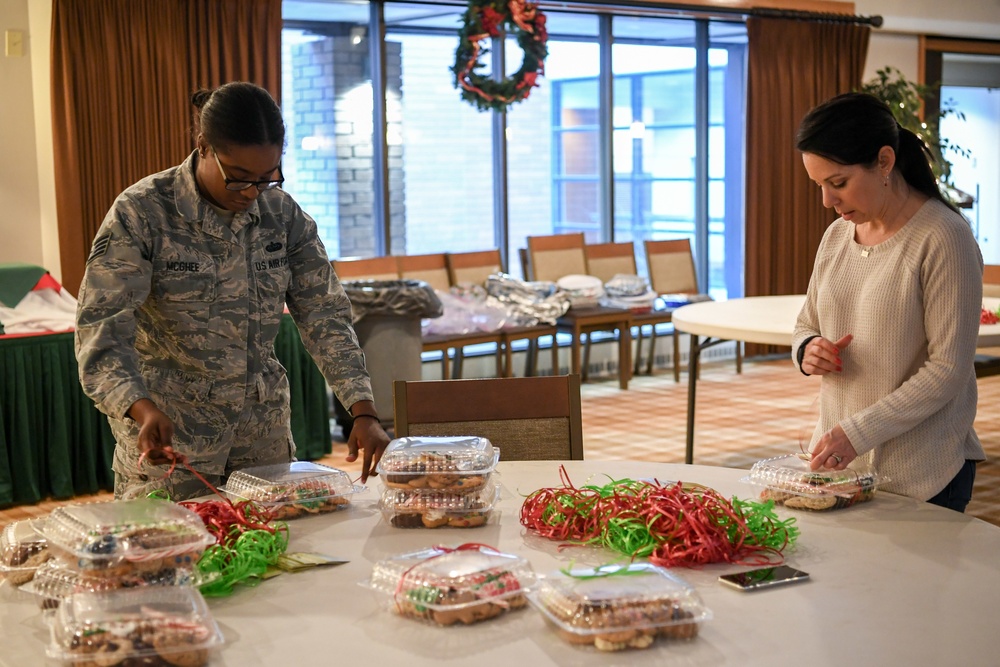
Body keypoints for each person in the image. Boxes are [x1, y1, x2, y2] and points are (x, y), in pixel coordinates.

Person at [76, 81, 390, 501]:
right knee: (176, 555)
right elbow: (102, 327)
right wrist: (139, 406)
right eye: (238, 177)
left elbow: (325, 316)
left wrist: (362, 410)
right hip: (172, 432)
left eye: (266, 178)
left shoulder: (282, 216)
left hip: (261, 434)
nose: (251, 193)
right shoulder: (144, 213)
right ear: (204, 146)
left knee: (279, 553)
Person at [792, 92, 984, 512]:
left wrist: (858, 432)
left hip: (921, 471)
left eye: (838, 183)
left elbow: (948, 370)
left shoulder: (943, 238)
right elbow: (806, 323)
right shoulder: (837, 236)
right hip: (840, 464)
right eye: (820, 186)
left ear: (884, 161)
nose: (828, 201)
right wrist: (807, 350)